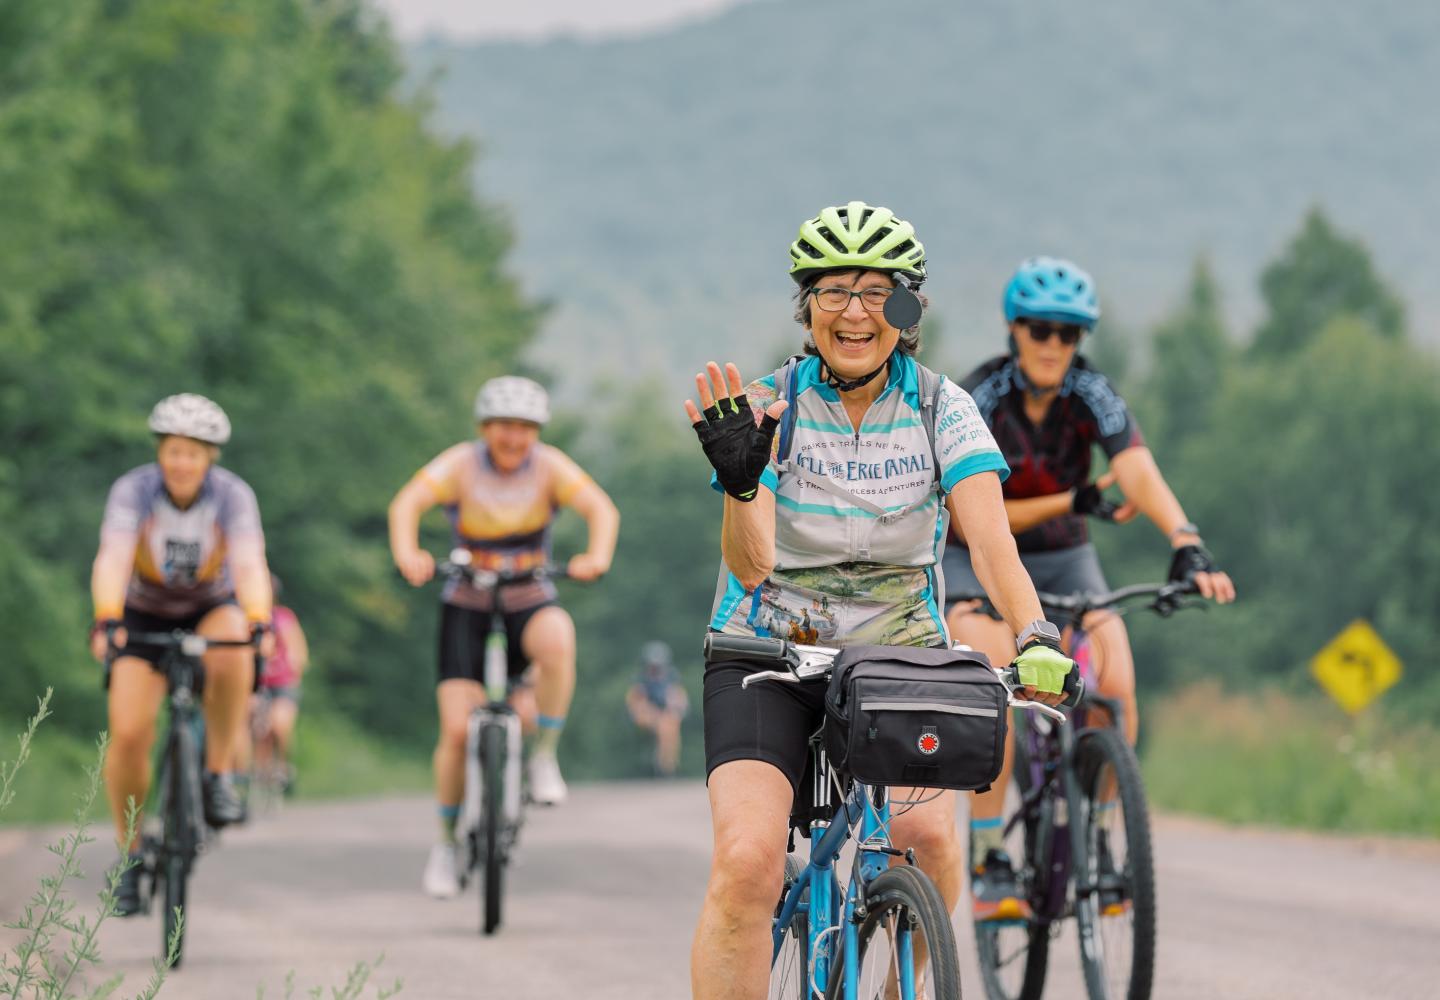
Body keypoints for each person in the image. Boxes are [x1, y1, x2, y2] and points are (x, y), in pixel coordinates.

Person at [684, 202, 1079, 1000]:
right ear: (808, 310)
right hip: (766, 652)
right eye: (832, 293)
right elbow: (752, 565)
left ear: (907, 310)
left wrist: (1032, 632)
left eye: (876, 293)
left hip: (900, 657)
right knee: (747, 863)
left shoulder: (942, 409)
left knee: (931, 843)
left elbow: (991, 542)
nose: (855, 312)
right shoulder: (770, 405)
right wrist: (739, 481)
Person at [945, 256, 1237, 922]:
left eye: (1069, 334)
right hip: (977, 558)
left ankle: (1101, 841)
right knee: (999, 685)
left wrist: (1185, 539)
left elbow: (1135, 468)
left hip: (1066, 559)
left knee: (1116, 682)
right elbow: (971, 516)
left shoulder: (1090, 392)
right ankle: (991, 857)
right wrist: (1068, 498)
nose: (1054, 345)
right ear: (1014, 330)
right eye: (1041, 330)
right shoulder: (979, 398)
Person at [388, 375, 620, 899]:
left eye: (524, 429)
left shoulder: (551, 467)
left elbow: (601, 510)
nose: (513, 439)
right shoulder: (460, 465)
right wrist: (409, 552)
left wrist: (595, 556)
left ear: (536, 432)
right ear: (484, 429)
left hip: (528, 598)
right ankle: (446, 843)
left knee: (559, 639)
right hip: (466, 604)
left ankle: (544, 756)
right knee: (453, 731)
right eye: (503, 428)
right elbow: (406, 504)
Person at [89, 393, 274, 915]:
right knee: (128, 733)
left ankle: (217, 774)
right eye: (173, 451)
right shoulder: (134, 490)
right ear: (159, 451)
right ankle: (127, 856)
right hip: (143, 613)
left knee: (237, 637)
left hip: (209, 608)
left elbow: (249, 562)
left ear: (211, 456)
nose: (182, 463)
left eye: (193, 452)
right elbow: (113, 556)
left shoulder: (233, 495)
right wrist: (106, 615)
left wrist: (260, 618)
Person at [244, 574, 309, 798]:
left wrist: (294, 669)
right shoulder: (246, 619)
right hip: (256, 682)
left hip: (282, 682)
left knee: (280, 725)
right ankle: (258, 771)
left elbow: (297, 650)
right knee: (257, 726)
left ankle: (283, 766)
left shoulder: (283, 618)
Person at [625, 640, 689, 776]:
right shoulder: (641, 680)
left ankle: (667, 764)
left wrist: (674, 708)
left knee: (669, 726)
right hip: (646, 715)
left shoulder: (671, 678)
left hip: (665, 715)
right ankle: (664, 764)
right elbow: (635, 703)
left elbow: (679, 700)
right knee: (663, 725)